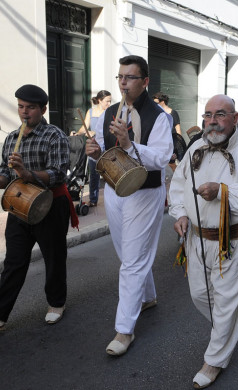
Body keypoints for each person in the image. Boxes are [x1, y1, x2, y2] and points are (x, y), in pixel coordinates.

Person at [169, 94, 238, 389]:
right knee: (201, 295)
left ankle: (213, 360)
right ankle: (225, 331)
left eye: (221, 114)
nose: (212, 121)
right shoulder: (196, 148)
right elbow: (178, 186)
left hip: (234, 240)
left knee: (225, 303)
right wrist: (179, 213)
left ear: (235, 117)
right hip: (196, 240)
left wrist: (222, 191)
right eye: (208, 114)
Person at [0, 84, 74, 330]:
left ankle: (56, 303)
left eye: (31, 108)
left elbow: (58, 173)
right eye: (21, 107)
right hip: (19, 205)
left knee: (54, 258)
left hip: (51, 205)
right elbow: (5, 172)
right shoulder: (12, 137)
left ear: (42, 109)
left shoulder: (55, 135)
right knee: (14, 261)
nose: (24, 113)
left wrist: (26, 172)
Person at [86, 55, 173, 356]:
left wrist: (129, 145)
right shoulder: (110, 111)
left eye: (130, 77)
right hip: (114, 189)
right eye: (120, 77)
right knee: (127, 252)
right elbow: (100, 153)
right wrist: (94, 151)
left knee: (133, 260)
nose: (123, 83)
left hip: (145, 192)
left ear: (145, 81)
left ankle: (124, 330)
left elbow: (162, 158)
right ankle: (147, 297)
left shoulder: (159, 116)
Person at [73, 90, 112, 207]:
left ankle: (112, 199)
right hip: (94, 146)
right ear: (99, 100)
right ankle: (93, 199)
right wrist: (77, 134)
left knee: (109, 173)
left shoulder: (110, 113)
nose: (109, 104)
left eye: (110, 101)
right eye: (107, 101)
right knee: (93, 174)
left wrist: (96, 131)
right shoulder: (91, 112)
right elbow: (84, 127)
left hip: (107, 145)